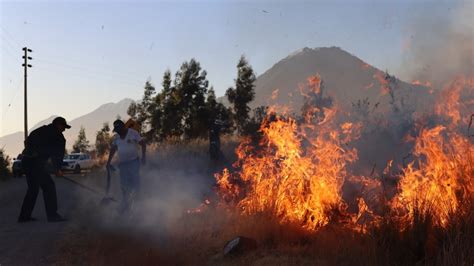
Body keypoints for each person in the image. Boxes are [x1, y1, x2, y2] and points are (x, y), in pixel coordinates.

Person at [18, 117, 71, 223]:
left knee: (33, 189)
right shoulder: (58, 138)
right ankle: (52, 216)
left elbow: (27, 142)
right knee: (49, 187)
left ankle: (24, 217)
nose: (64, 130)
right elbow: (58, 156)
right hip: (35, 164)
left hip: (27, 162)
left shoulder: (40, 131)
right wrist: (57, 170)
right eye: (63, 127)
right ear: (58, 125)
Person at [106, 119, 146, 214]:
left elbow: (143, 144)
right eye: (116, 130)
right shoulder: (116, 138)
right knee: (124, 185)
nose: (118, 131)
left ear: (124, 127)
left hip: (134, 162)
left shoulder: (133, 133)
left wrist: (144, 157)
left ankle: (138, 205)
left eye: (119, 129)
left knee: (135, 184)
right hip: (123, 164)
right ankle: (126, 204)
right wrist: (108, 162)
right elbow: (113, 149)